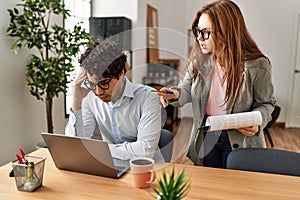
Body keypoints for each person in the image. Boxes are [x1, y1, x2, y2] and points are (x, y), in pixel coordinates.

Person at [157, 0, 275, 168]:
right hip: (207, 135)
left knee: (236, 189)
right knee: (209, 186)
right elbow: (186, 87)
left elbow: (266, 104)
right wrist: (174, 94)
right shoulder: (200, 61)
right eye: (198, 31)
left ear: (226, 32)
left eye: (205, 32)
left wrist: (258, 121)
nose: (198, 38)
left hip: (240, 140)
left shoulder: (258, 66)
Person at [65, 39, 165, 162]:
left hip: (147, 169)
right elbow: (77, 145)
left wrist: (99, 150)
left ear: (121, 73)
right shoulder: (90, 98)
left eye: (104, 83)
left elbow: (145, 150)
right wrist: (76, 102)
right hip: (111, 165)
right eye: (92, 84)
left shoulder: (148, 97)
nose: (98, 92)